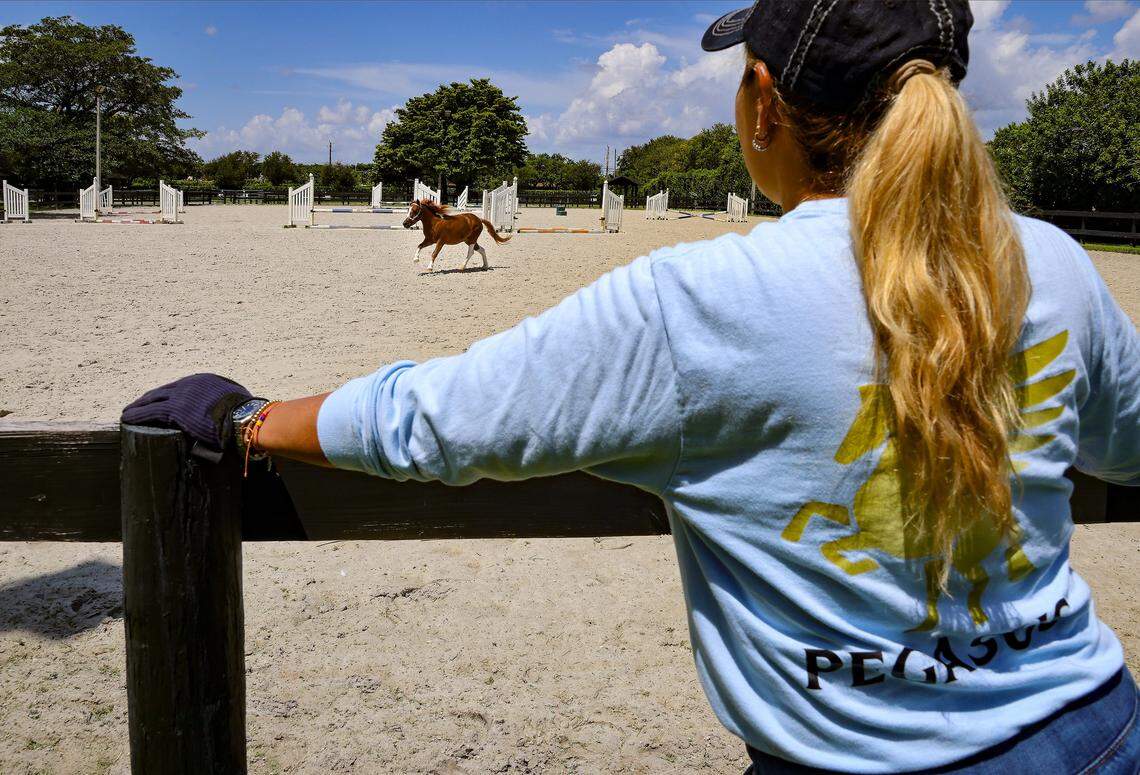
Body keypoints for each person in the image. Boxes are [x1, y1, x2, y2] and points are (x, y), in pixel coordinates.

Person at [122, 1, 1139, 771]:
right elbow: (1129, 444)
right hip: (1099, 723)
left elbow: (445, 417)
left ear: (761, 102)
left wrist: (254, 418)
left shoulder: (700, 298)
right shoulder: (1049, 261)